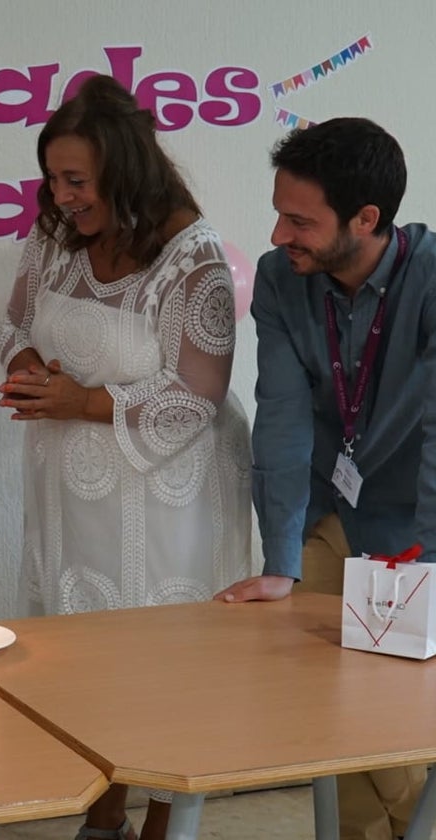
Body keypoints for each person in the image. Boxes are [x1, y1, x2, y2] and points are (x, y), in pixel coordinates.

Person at [0, 74, 251, 840]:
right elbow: (13, 325)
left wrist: (83, 402)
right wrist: (32, 363)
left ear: (123, 170)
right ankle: (100, 807)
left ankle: (165, 818)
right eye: (53, 178)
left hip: (169, 489)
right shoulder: (54, 235)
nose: (62, 195)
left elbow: (196, 394)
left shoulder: (190, 255)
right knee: (82, 656)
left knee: (167, 661)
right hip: (73, 492)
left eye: (77, 180)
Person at [215, 118, 434, 840]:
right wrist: (279, 560)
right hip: (325, 509)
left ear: (366, 219)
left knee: (391, 704)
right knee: (324, 701)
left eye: (300, 220)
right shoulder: (283, 281)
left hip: (411, 524)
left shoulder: (430, 284)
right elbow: (281, 413)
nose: (279, 235)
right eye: (279, 211)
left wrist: (426, 574)